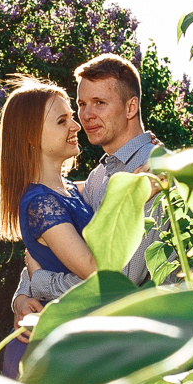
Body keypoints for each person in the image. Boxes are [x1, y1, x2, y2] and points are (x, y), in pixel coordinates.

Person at [0, 79, 97, 377]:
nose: (76, 126)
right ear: (32, 136)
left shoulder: (70, 190)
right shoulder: (40, 203)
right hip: (48, 353)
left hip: (68, 342)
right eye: (63, 121)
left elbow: (39, 260)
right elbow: (95, 271)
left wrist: (24, 292)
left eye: (71, 116)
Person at [73, 53, 168, 283]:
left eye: (99, 103)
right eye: (82, 104)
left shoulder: (154, 169)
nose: (86, 115)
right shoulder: (98, 176)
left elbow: (120, 282)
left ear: (130, 108)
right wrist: (23, 294)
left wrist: (42, 282)